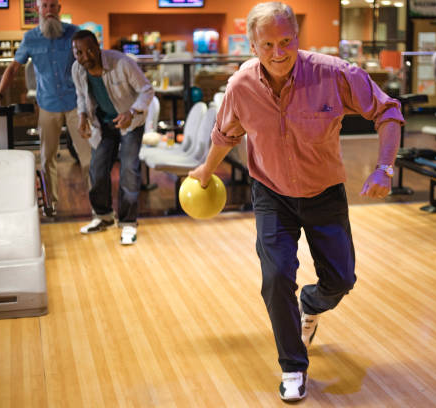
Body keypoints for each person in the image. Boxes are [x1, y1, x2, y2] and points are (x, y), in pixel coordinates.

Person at [188, 1, 404, 402]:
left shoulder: (335, 73)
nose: (279, 52)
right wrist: (205, 170)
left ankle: (311, 302)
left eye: (286, 40)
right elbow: (225, 134)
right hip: (271, 195)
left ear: (296, 37)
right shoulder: (241, 86)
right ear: (252, 45)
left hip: (324, 193)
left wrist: (384, 168)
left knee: (341, 280)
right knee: (275, 278)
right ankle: (293, 366)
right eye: (268, 43)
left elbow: (388, 110)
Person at [0, 0, 91, 216]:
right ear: (38, 10)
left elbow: (90, 63)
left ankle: (100, 206)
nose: (49, 10)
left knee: (88, 157)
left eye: (53, 6)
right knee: (47, 156)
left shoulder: (74, 33)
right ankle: (50, 206)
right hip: (48, 105)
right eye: (45, 6)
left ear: (59, 9)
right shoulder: (30, 38)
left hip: (76, 105)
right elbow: (13, 68)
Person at [71, 30, 154, 245]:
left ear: (98, 47)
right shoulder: (77, 69)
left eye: (90, 50)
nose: (85, 56)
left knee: (128, 169)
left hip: (130, 123)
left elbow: (147, 90)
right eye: (79, 52)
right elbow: (81, 95)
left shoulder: (122, 63)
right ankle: (104, 217)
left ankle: (128, 223)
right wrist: (81, 116)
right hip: (104, 124)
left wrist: (132, 112)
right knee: (97, 169)